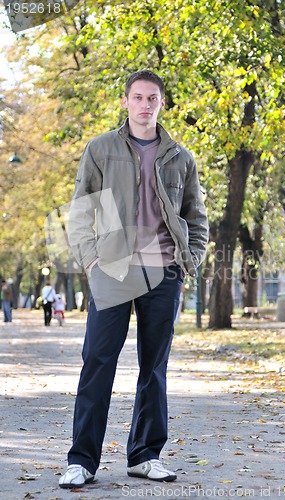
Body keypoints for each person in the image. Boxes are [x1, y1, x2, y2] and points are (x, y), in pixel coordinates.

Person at [59, 69, 209, 488]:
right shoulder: (101, 149)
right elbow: (80, 211)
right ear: (125, 101)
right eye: (138, 97)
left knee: (154, 368)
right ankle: (82, 460)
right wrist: (91, 262)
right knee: (98, 363)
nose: (145, 105)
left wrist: (186, 263)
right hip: (112, 270)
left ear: (162, 104)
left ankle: (145, 455)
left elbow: (197, 218)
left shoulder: (180, 156)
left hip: (163, 273)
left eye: (153, 98)